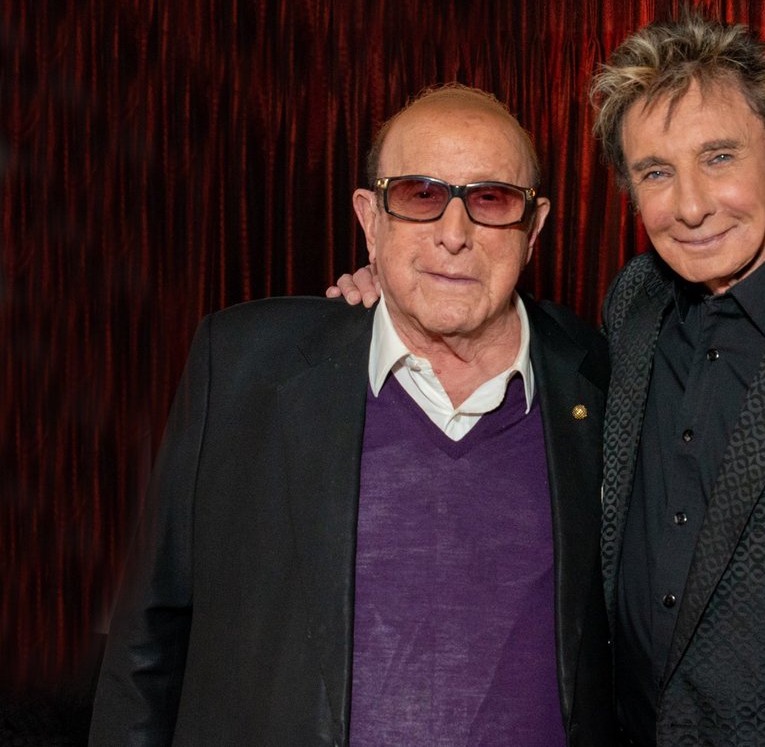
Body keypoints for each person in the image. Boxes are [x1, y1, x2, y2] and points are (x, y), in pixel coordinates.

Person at [333, 11, 765, 745]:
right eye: (657, 172)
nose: (690, 206)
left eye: (719, 158)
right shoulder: (637, 305)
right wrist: (404, 286)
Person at [90, 85, 615, 746]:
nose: (454, 235)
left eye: (491, 200)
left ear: (533, 229)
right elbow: (147, 644)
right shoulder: (246, 367)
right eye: (420, 196)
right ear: (371, 219)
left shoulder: (602, 380)